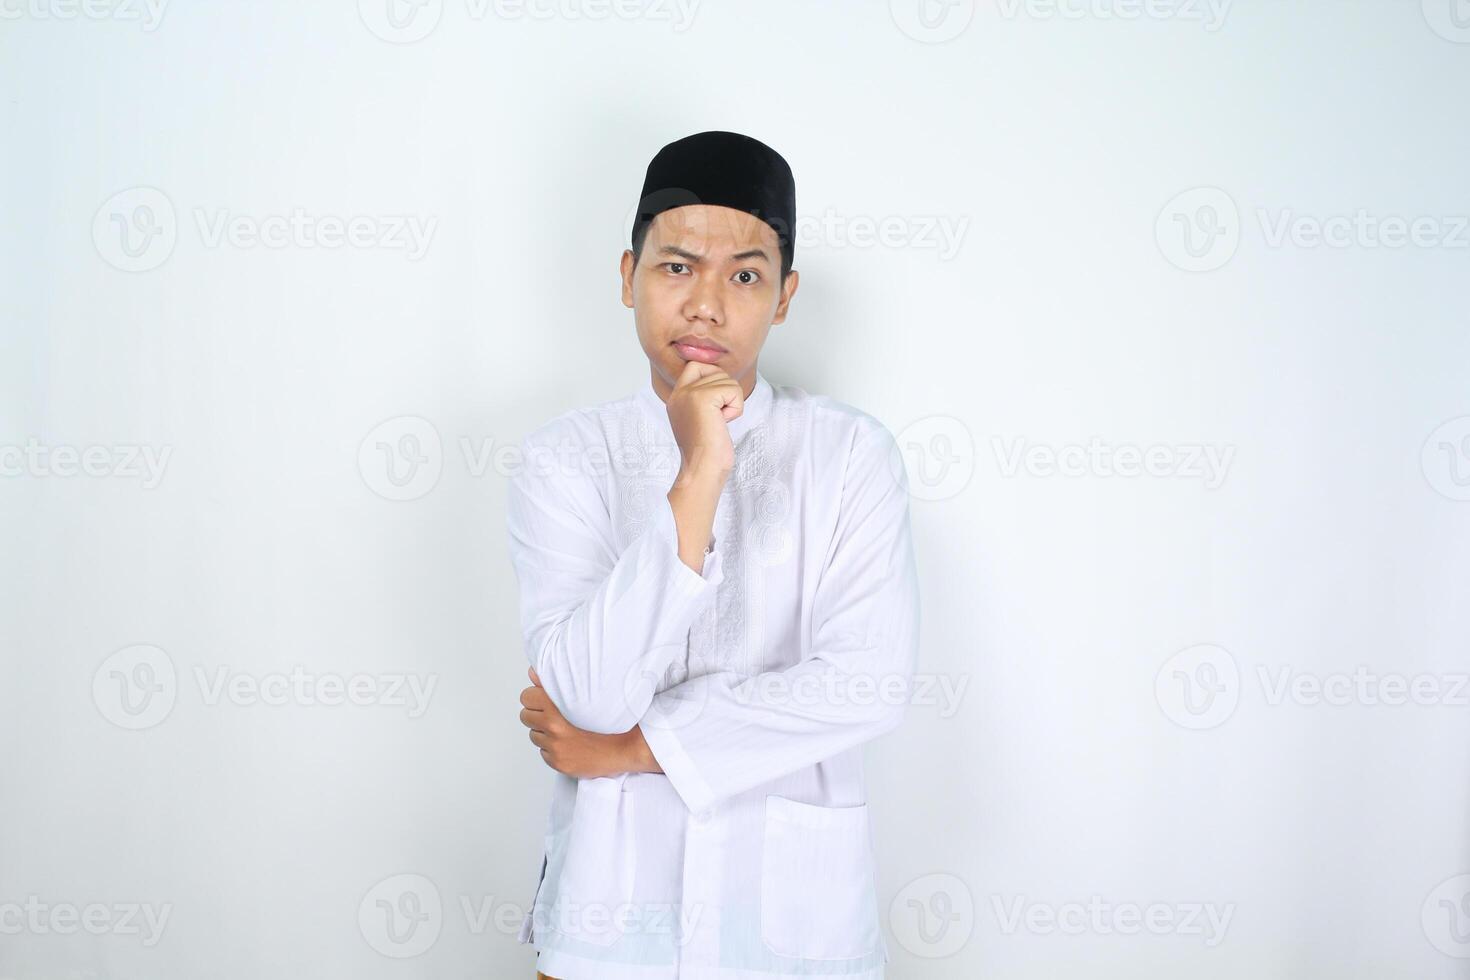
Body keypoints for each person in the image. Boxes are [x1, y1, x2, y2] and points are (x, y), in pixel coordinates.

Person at [506, 130, 921, 979]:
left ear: (785, 295)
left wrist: (630, 751)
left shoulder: (850, 457)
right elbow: (588, 695)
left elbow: (867, 685)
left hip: (793, 932)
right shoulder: (563, 460)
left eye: (744, 274)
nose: (706, 304)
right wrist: (700, 472)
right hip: (607, 929)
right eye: (676, 266)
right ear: (627, 278)